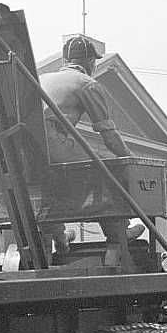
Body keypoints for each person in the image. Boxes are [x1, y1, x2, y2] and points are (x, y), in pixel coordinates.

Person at [39, 35, 140, 265]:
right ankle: (118, 233)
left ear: (65, 59)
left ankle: (58, 236)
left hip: (23, 149)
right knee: (104, 170)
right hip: (52, 140)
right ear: (90, 63)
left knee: (47, 185)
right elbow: (110, 137)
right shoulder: (86, 83)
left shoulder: (41, 78)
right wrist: (130, 160)